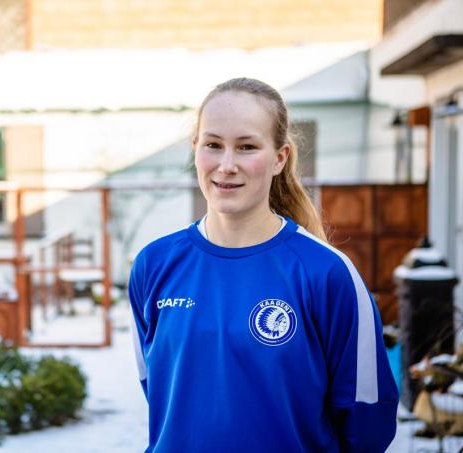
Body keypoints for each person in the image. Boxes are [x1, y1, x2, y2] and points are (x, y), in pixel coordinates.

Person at [128, 78, 398, 452]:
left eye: (246, 147)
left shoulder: (326, 273)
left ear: (279, 157)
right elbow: (158, 391)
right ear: (195, 150)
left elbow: (368, 419)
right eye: (213, 145)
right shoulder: (154, 265)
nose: (226, 165)